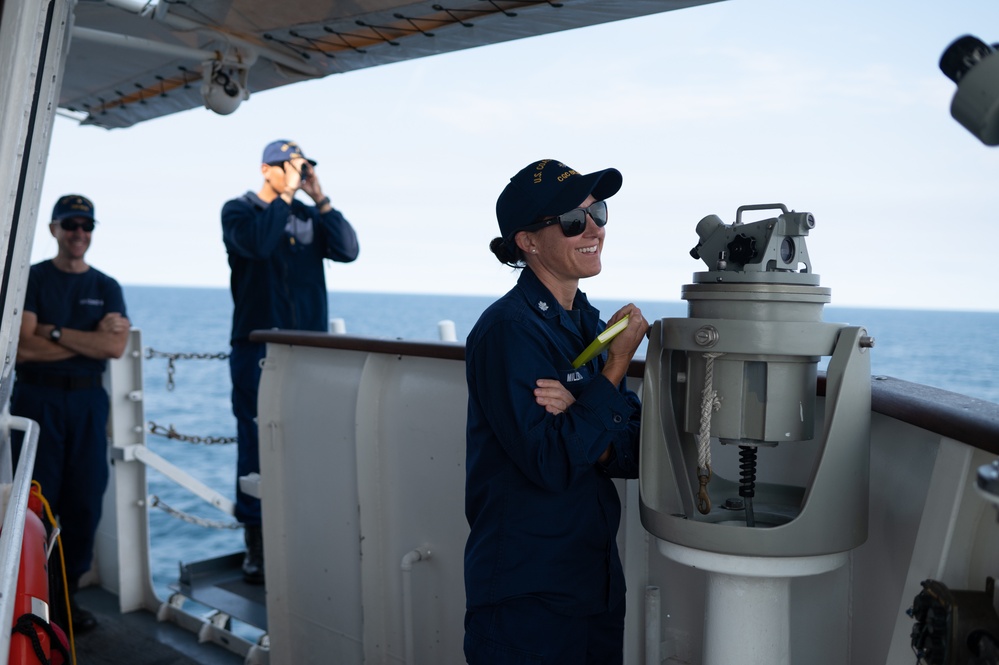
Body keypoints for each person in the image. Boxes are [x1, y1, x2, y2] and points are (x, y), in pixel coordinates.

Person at [463, 159, 649, 664]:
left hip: (592, 581)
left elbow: (634, 452)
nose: (595, 230)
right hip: (528, 594)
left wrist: (581, 413)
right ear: (528, 241)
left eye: (599, 213)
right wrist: (613, 371)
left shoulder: (588, 323)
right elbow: (554, 462)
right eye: (573, 221)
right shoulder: (510, 331)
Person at [221, 139, 359, 584]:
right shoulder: (238, 211)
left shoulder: (306, 215)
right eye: (290, 167)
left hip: (308, 351)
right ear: (267, 169)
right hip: (257, 348)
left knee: (309, 441)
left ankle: (304, 533)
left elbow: (348, 249)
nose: (298, 173)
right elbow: (259, 246)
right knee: (256, 443)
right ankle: (257, 543)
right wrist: (282, 197)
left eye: (303, 167)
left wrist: (320, 198)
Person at [11, 194, 130, 633]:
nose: (79, 233)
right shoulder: (34, 278)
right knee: (38, 501)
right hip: (38, 401)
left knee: (83, 503)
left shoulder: (106, 286)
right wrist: (85, 341)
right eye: (70, 224)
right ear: (53, 230)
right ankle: (31, 598)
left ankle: (67, 597)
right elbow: (23, 347)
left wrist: (54, 331)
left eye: (86, 226)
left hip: (85, 404)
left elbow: (114, 347)